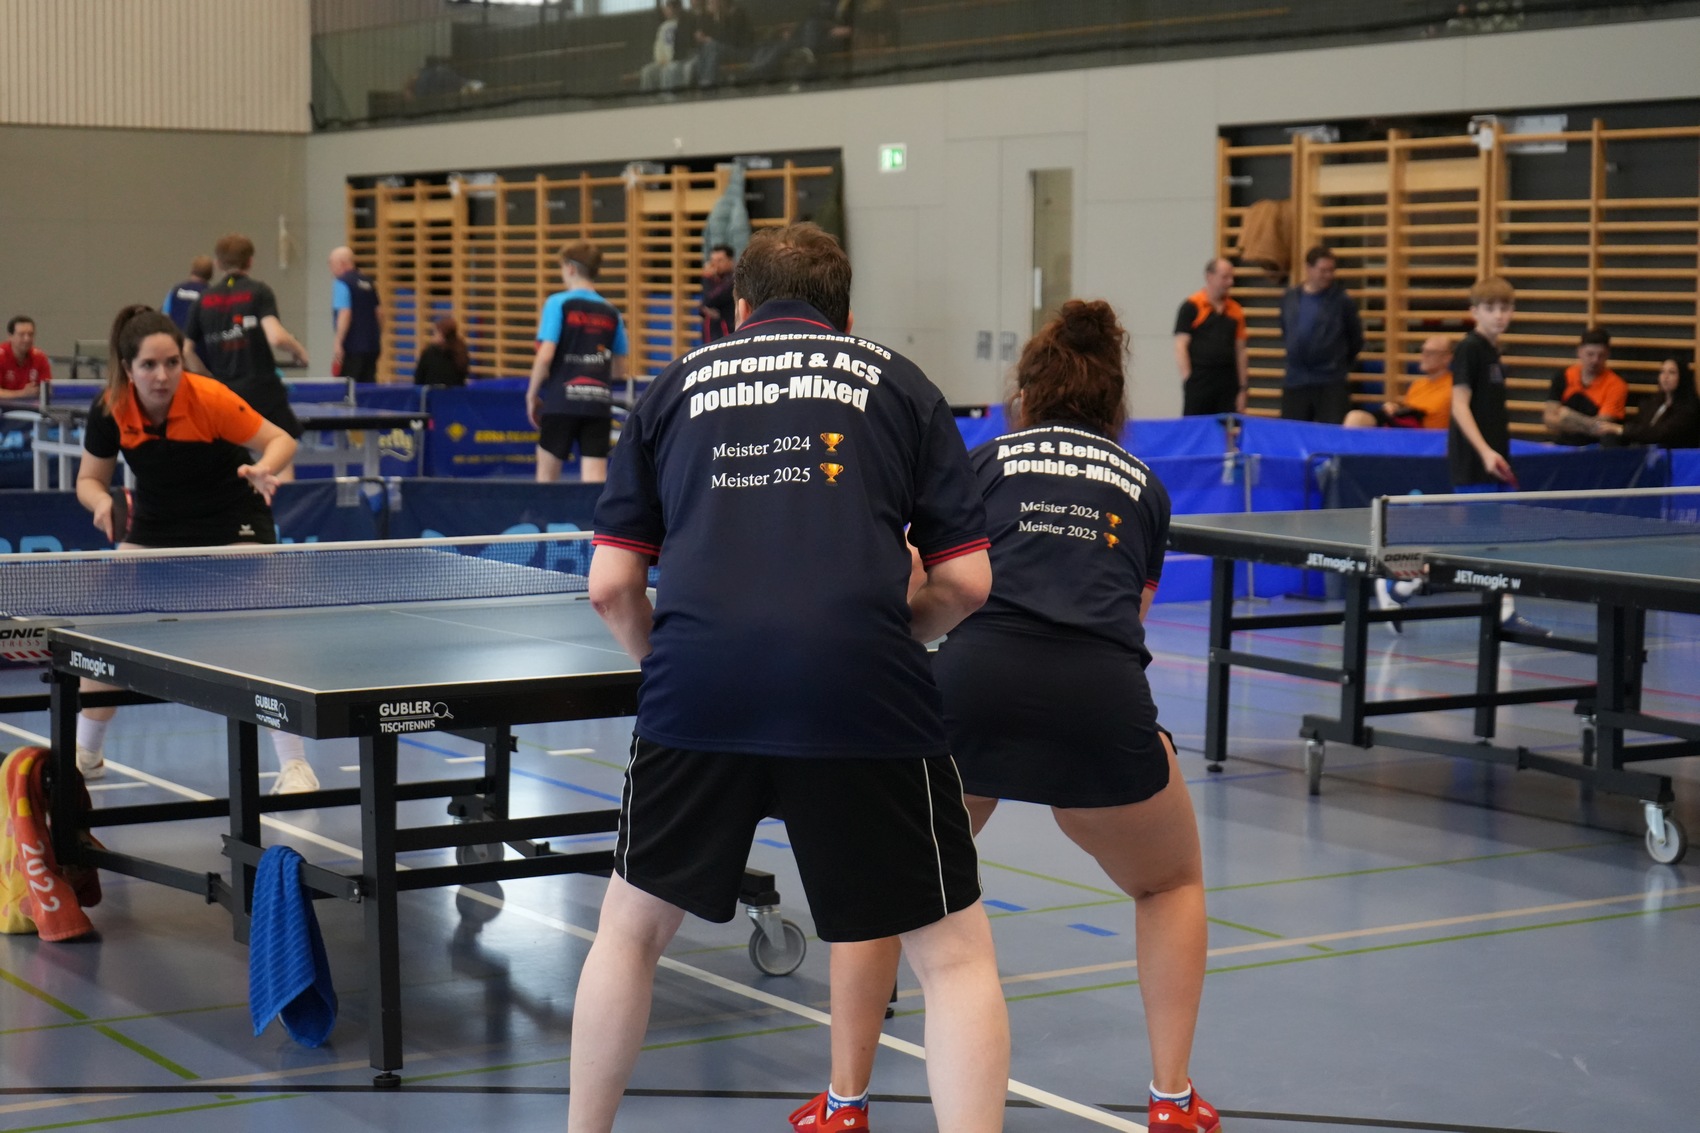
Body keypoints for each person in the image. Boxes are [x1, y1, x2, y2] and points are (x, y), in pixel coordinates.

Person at [574, 222, 1010, 1133]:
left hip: (697, 689)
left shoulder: (671, 388)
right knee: (954, 958)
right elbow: (969, 582)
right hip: (864, 689)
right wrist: (891, 633)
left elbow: (611, 585)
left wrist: (676, 667)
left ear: (738, 306)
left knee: (629, 932)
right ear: (844, 317)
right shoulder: (900, 383)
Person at [790, 301, 1216, 1133]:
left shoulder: (982, 461)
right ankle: (1172, 1100)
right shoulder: (1145, 485)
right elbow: (1129, 617)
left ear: (1025, 393)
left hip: (969, 688)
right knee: (1169, 881)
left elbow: (926, 577)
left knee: (885, 885)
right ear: (1115, 402)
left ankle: (844, 1102)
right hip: (1099, 699)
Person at [73, 305, 319, 794]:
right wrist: (100, 502)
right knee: (103, 632)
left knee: (260, 630)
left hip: (232, 518)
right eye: (149, 365)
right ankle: (86, 754)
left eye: (172, 363)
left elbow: (281, 440)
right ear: (128, 368)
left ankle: (295, 765)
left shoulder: (208, 397)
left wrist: (263, 468)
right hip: (157, 523)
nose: (162, 376)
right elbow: (88, 479)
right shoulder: (110, 409)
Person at [1381, 277, 1544, 635]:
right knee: (1478, 539)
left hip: (1494, 456)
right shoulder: (1470, 349)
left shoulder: (1493, 352)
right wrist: (1484, 452)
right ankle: (1400, 579)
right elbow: (1459, 405)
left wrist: (1496, 452)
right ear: (1474, 312)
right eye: (1490, 308)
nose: (1499, 315)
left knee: (1491, 539)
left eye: (1505, 308)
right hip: (1474, 458)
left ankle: (1407, 584)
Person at [182, 233, 311, 472]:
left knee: (229, 461)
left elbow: (186, 351)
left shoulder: (203, 300)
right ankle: (281, 496)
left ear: (218, 263)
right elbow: (276, 337)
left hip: (225, 395)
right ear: (250, 261)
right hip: (263, 392)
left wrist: (209, 378)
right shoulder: (259, 292)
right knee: (280, 451)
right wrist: (300, 351)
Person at [526, 242, 628, 484]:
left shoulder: (558, 303)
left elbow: (545, 355)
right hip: (597, 403)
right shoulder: (611, 311)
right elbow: (620, 368)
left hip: (561, 401)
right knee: (594, 481)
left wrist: (531, 394)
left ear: (570, 268)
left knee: (546, 482)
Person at [1278, 245, 1362, 423]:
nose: (1328, 275)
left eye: (1331, 270)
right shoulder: (1290, 298)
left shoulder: (1342, 301)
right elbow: (1286, 330)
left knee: (1331, 433)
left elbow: (1355, 339)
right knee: (1293, 432)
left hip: (1330, 380)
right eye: (1323, 270)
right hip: (1296, 379)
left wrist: (1337, 363)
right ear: (1309, 269)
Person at [1173, 257, 1248, 416]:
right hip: (1200, 380)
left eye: (1231, 277)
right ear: (1209, 277)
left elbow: (1241, 351)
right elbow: (1180, 346)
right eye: (1225, 277)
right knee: (1195, 427)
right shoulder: (1191, 306)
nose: (1230, 282)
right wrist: (1189, 380)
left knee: (1226, 427)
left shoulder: (1236, 311)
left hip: (1228, 382)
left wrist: (1243, 388)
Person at [1344, 335, 1453, 429]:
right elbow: (1408, 412)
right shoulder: (1418, 384)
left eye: (1431, 352)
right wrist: (1395, 409)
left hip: (1429, 436)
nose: (1424, 356)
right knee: (1356, 417)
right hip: (1406, 430)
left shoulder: (1453, 387)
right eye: (1423, 351)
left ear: (1447, 358)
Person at [1543, 327, 1627, 445]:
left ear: (1608, 354)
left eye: (1601, 355)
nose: (1595, 360)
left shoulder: (1617, 385)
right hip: (1563, 443)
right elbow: (1549, 420)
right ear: (1579, 352)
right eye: (1590, 354)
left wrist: (1570, 417)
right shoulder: (1563, 376)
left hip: (1596, 446)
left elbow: (1602, 428)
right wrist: (1588, 425)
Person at [1600, 355, 1699, 449]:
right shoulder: (1653, 403)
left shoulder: (1689, 409)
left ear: (1682, 377)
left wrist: (1622, 429)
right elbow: (1639, 426)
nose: (1665, 377)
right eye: (1662, 372)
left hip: (1671, 453)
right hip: (1645, 448)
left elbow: (1661, 433)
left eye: (1672, 372)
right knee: (1610, 437)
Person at [329, 245, 383, 382]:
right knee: (368, 386)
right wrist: (377, 335)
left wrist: (338, 342)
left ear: (341, 263)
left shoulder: (342, 283)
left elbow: (345, 313)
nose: (331, 269)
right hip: (372, 347)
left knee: (349, 388)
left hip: (352, 348)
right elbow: (379, 313)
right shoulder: (369, 283)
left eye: (331, 264)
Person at [691, 0, 753, 86]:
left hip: (741, 52)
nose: (710, 4)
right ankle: (704, 82)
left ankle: (707, 82)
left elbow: (732, 40)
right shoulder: (716, 17)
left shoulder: (736, 13)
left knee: (711, 46)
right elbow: (716, 39)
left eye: (712, 2)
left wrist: (710, 40)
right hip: (723, 51)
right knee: (706, 52)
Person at [638, 1, 691, 92]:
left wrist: (671, 59)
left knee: (668, 70)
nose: (666, 10)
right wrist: (660, 60)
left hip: (679, 61)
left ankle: (667, 97)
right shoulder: (663, 27)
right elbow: (658, 46)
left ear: (676, 8)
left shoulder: (685, 24)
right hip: (663, 61)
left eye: (669, 8)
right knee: (647, 71)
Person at [0, 316, 50, 402]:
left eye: (30, 334)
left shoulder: (40, 357)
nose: (27, 339)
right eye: (21, 334)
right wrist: (22, 393)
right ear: (10, 336)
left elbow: (47, 389)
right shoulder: (1, 356)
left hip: (30, 407)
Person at [413, 316, 471, 387]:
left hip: (432, 393)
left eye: (435, 333)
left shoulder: (429, 354)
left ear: (441, 335)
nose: (433, 336)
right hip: (456, 393)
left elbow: (418, 380)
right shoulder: (461, 351)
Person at [163, 256, 214, 331]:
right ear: (210, 275)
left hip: (176, 336)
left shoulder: (175, 291)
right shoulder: (211, 295)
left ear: (192, 270)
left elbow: (165, 316)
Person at [700, 243, 737, 342]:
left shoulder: (734, 281)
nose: (715, 265)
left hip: (727, 333)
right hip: (712, 334)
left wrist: (707, 277)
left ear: (731, 261)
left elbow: (709, 300)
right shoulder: (714, 281)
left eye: (720, 260)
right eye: (713, 261)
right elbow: (702, 307)